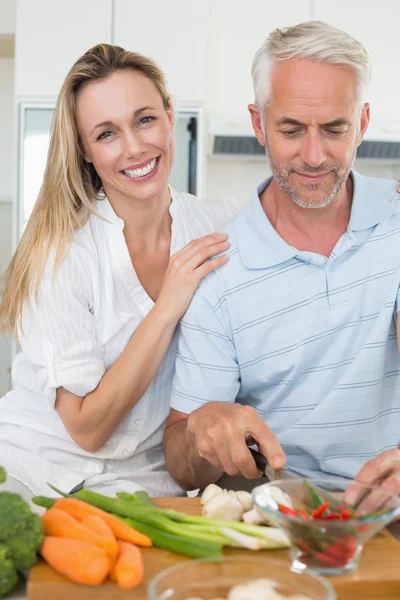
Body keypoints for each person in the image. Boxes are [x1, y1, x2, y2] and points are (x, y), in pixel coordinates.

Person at [164, 21, 400, 502]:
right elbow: (182, 465)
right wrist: (201, 432)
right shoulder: (219, 271)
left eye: (335, 129)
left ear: (363, 122)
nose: (313, 156)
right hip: (283, 516)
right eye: (291, 129)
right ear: (258, 124)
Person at [0, 44, 238, 498]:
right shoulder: (60, 251)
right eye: (106, 134)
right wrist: (166, 308)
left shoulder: (220, 224)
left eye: (145, 119)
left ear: (170, 115)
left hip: (151, 484)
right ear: (85, 151)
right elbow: (88, 430)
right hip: (36, 474)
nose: (134, 147)